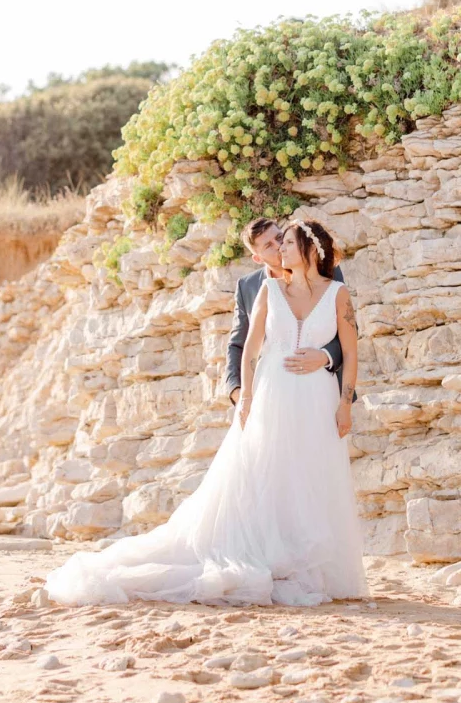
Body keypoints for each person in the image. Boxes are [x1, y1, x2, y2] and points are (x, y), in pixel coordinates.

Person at [46, 218, 367, 607]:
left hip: (317, 395)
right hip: (272, 394)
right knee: (265, 474)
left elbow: (349, 349)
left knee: (312, 475)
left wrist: (344, 402)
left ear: (308, 250)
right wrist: (243, 396)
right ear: (257, 253)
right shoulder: (263, 288)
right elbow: (245, 348)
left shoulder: (336, 290)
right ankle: (272, 555)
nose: (280, 248)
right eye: (273, 244)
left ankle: (314, 564)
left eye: (286, 242)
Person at [225, 217, 347, 411]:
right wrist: (238, 392)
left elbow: (348, 329)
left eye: (280, 237)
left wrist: (326, 356)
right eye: (268, 245)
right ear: (258, 258)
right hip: (270, 395)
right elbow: (238, 343)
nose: (279, 245)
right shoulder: (248, 286)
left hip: (322, 389)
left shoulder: (325, 268)